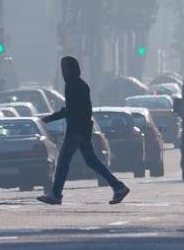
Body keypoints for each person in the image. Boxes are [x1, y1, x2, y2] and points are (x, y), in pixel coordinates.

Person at [38, 56, 129, 206]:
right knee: (91, 161)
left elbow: (78, 110)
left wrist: (74, 129)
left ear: (71, 69)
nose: (63, 71)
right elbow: (72, 109)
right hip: (80, 128)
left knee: (63, 161)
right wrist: (52, 118)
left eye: (65, 68)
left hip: (76, 129)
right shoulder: (76, 84)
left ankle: (55, 194)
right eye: (62, 68)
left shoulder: (75, 85)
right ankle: (118, 187)